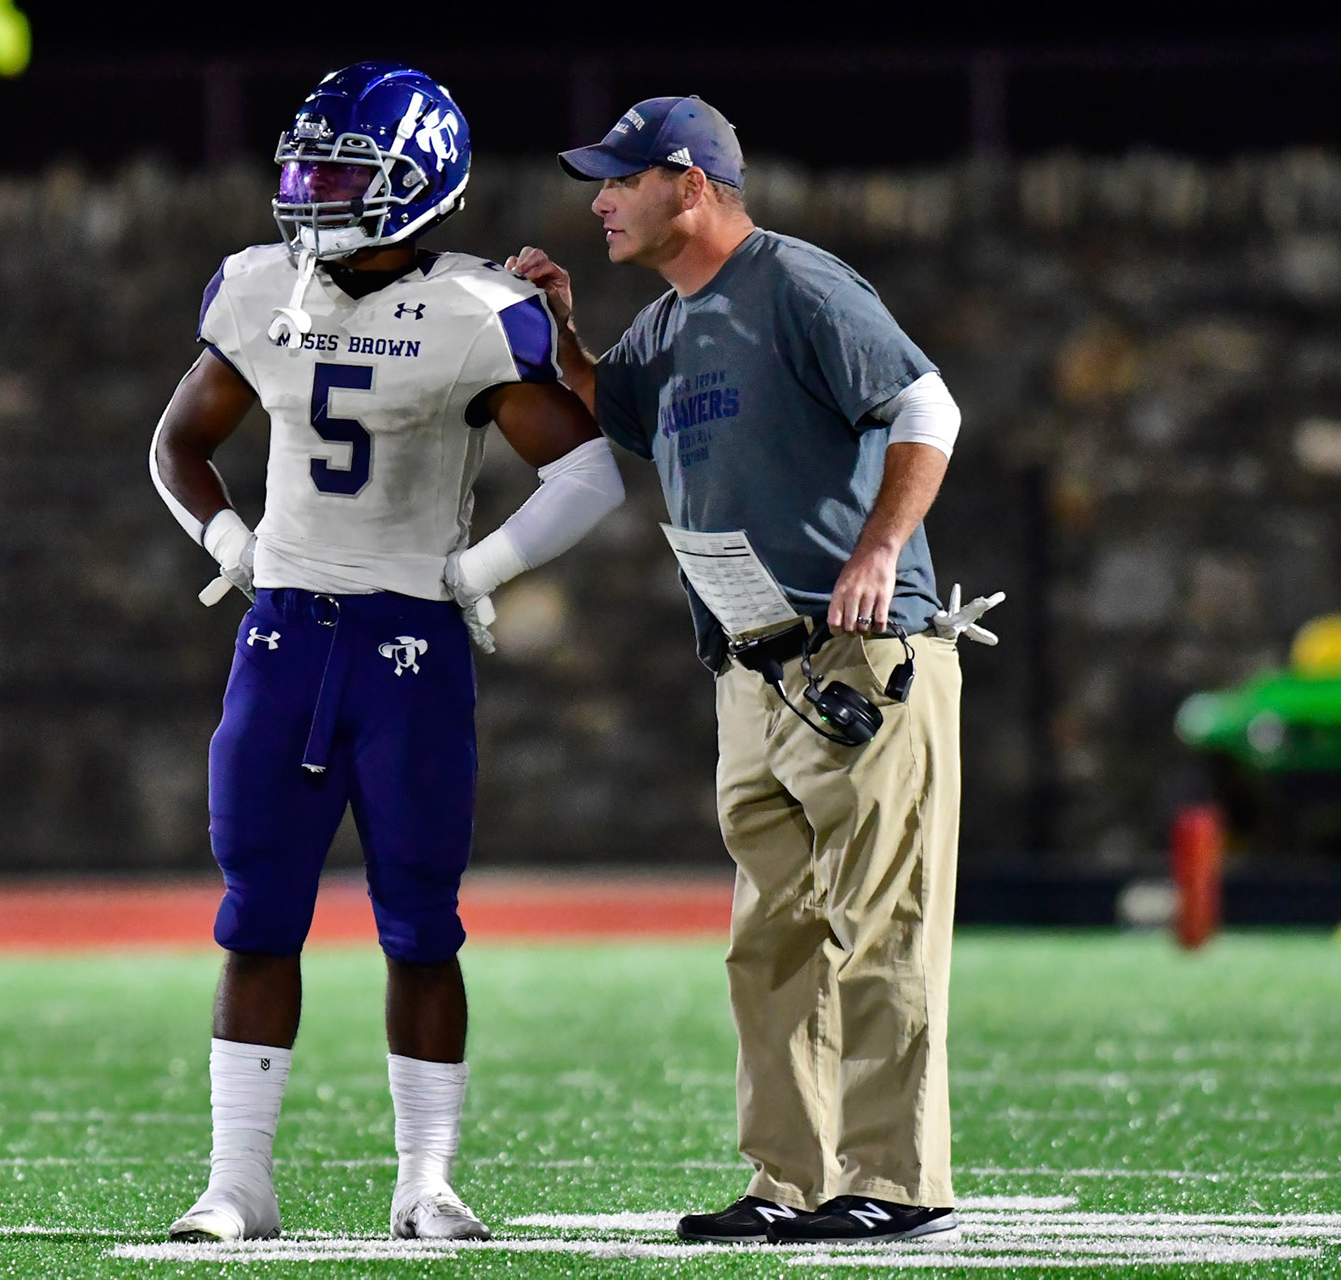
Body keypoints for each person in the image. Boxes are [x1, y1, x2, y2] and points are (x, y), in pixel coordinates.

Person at [149, 62, 625, 1244]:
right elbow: (177, 443)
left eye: (340, 175)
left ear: (422, 181)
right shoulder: (258, 287)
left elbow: (588, 472)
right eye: (306, 171)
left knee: (420, 921)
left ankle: (428, 1180)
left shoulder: (476, 309)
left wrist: (479, 569)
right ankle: (237, 1182)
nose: (311, 196)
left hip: (408, 641)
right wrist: (227, 537)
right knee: (257, 912)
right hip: (284, 635)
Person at [509, 95, 984, 1245]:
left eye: (621, 179)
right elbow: (608, 406)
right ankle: (791, 1178)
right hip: (752, 666)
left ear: (690, 182)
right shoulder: (668, 323)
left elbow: (929, 404)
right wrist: (565, 331)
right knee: (771, 940)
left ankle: (898, 1181)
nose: (600, 201)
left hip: (858, 653)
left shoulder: (798, 283)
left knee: (880, 919)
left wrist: (880, 547)